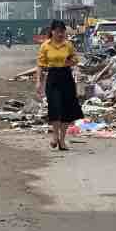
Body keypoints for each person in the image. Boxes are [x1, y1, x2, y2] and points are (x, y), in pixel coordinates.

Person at [36, 19, 83, 152]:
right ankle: (55, 135)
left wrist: (70, 62)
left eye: (62, 32)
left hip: (66, 77)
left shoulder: (68, 45)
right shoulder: (45, 46)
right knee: (55, 106)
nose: (60, 34)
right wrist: (38, 82)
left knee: (67, 110)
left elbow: (75, 59)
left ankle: (62, 139)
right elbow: (40, 65)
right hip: (53, 77)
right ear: (52, 32)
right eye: (58, 32)